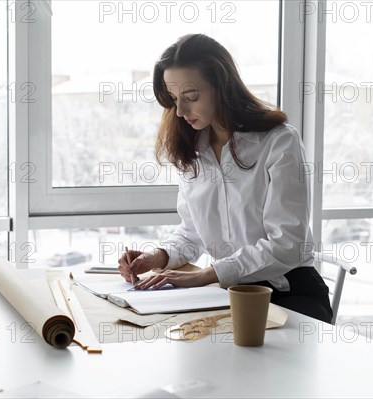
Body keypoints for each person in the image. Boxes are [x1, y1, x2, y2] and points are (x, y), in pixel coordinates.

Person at [118, 34, 332, 323]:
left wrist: (208, 275)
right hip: (225, 292)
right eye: (174, 99)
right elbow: (193, 232)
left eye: (191, 97)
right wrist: (158, 256)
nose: (180, 111)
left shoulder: (278, 142)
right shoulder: (192, 151)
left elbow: (287, 245)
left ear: (223, 87)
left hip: (289, 293)